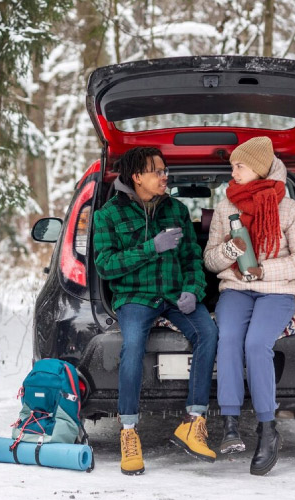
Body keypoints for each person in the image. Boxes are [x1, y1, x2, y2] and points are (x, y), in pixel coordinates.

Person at [93, 147, 218, 475]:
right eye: (157, 171)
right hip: (135, 297)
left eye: (165, 170)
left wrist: (193, 290)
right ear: (137, 176)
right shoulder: (108, 215)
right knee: (133, 345)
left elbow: (193, 256)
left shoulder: (176, 209)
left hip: (176, 295)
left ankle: (193, 422)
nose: (165, 177)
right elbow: (105, 266)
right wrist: (151, 247)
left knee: (208, 332)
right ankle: (129, 431)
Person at [203, 136, 295, 476]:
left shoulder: (289, 209)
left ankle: (268, 430)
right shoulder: (227, 206)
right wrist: (229, 252)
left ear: (257, 168)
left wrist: (264, 269)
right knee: (228, 341)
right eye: (233, 166)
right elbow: (210, 261)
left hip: (277, 291)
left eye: (238, 166)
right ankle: (229, 424)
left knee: (256, 344)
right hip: (236, 290)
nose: (232, 172)